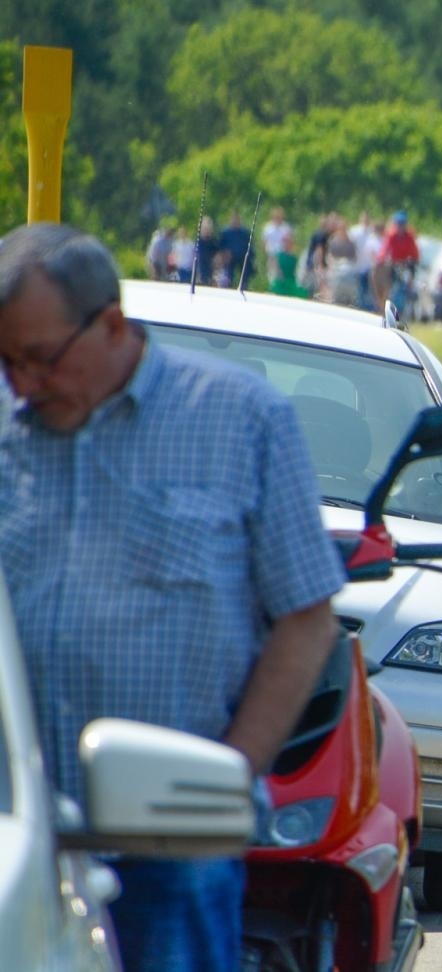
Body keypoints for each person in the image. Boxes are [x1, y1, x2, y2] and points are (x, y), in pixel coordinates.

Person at [0, 224, 344, 971]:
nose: (23, 384)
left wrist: (226, 779)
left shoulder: (241, 418)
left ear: (112, 324)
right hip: (13, 846)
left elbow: (305, 616)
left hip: (171, 851)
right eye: (6, 361)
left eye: (41, 358)